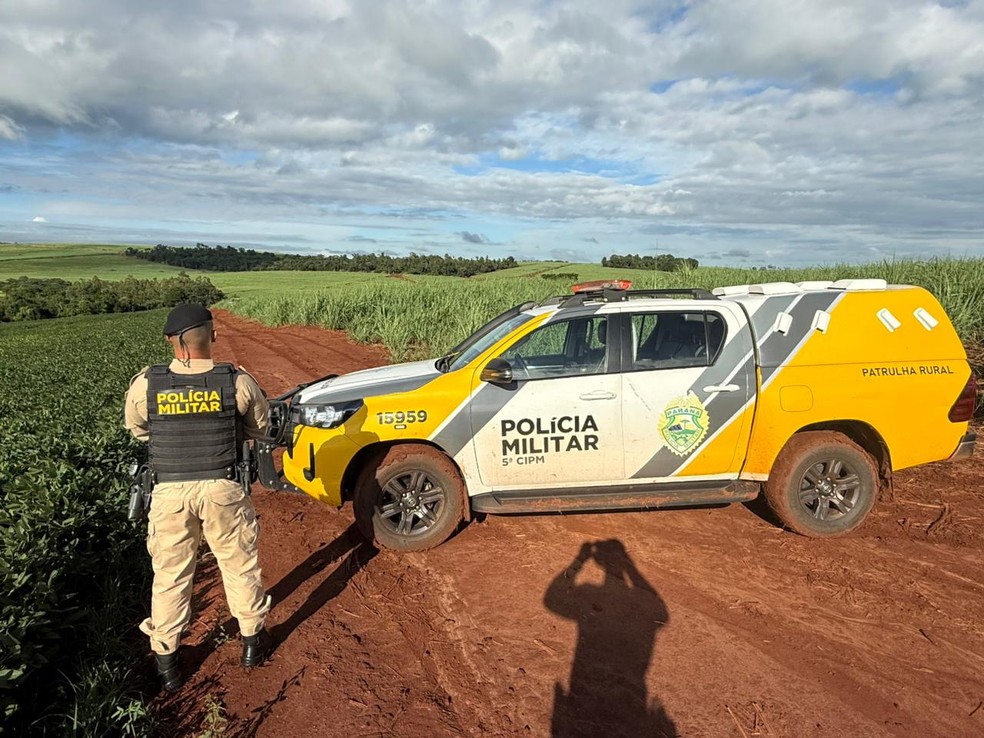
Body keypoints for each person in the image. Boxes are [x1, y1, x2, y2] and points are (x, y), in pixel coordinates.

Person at [124, 303, 272, 692]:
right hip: (222, 488)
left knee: (171, 574)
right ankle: (252, 644)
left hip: (170, 492)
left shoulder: (146, 384)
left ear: (171, 342)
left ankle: (168, 663)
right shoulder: (236, 381)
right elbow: (260, 427)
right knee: (239, 564)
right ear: (213, 338)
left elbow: (139, 430)